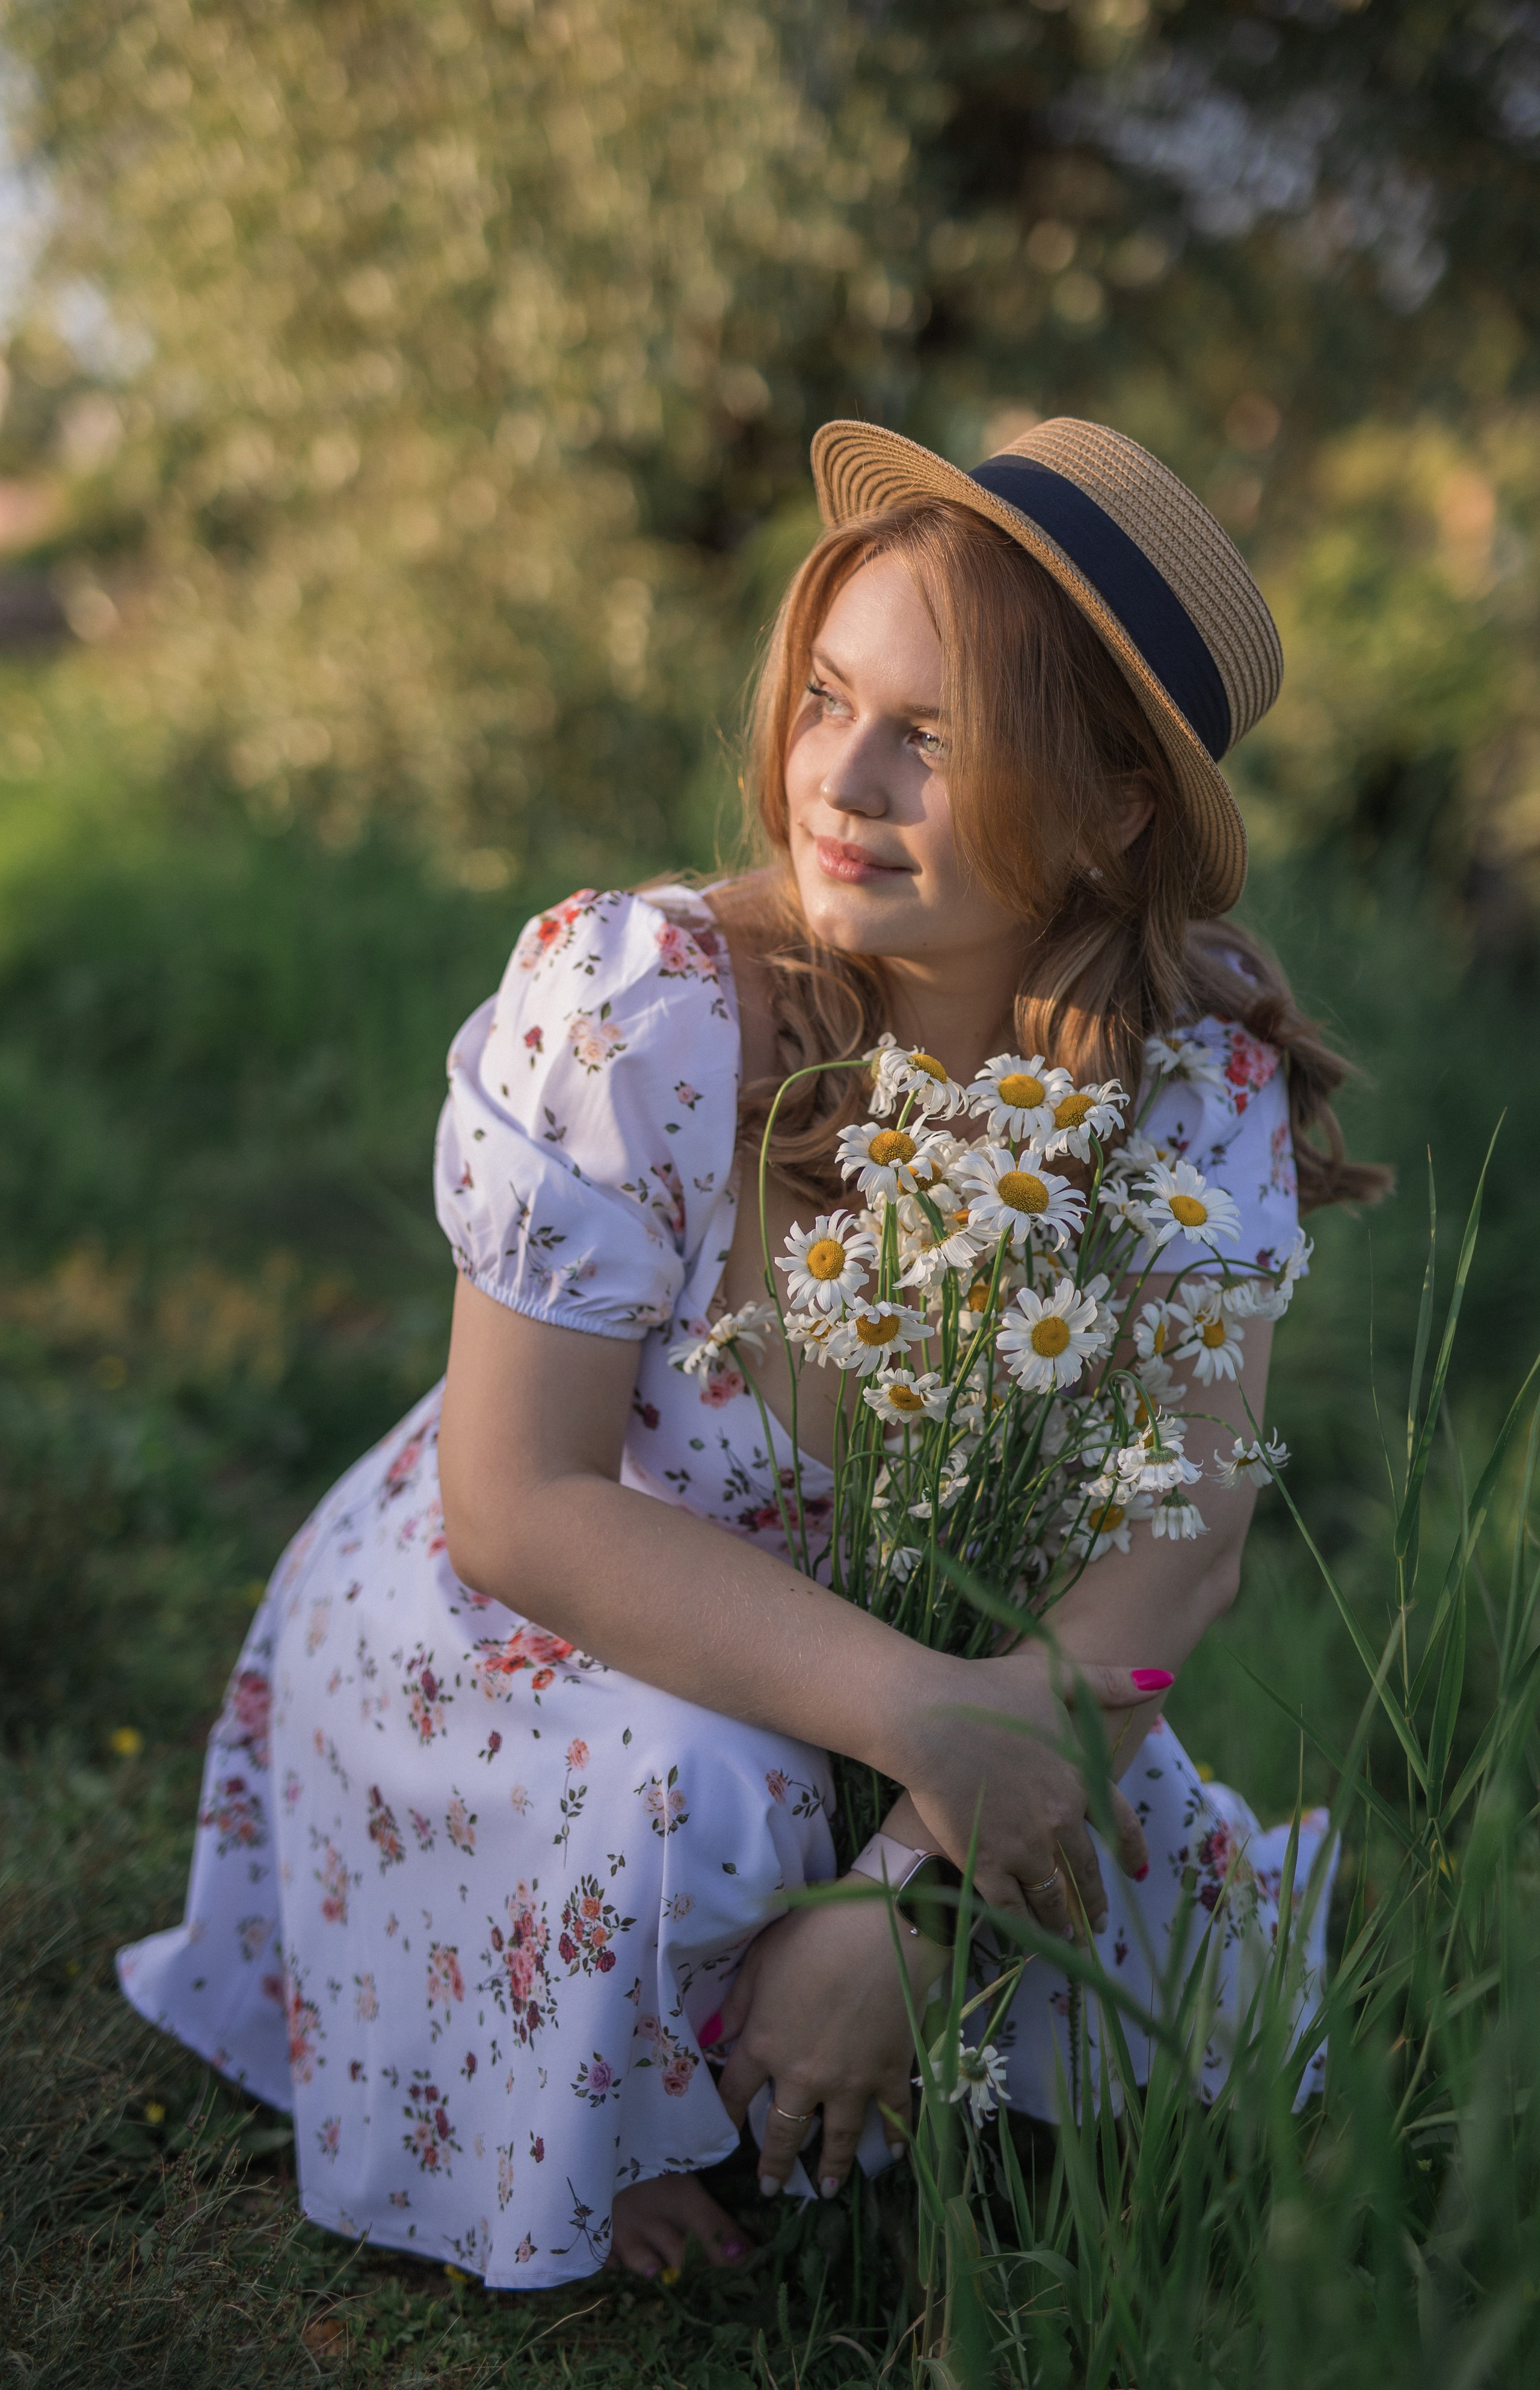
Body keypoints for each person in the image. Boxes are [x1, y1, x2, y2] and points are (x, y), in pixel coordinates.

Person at [119, 415, 1386, 2291]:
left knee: (1123, 1874)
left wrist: (925, 1876)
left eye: (933, 737)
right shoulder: (642, 1003)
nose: (839, 780)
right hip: (561, 1613)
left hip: (938, 1659)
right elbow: (521, 1501)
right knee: (700, 1784)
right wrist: (923, 1725)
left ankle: (822, 2029)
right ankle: (564, 2103)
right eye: (826, 698)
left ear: (1119, 807)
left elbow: (1184, 1539)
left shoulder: (1192, 1091)